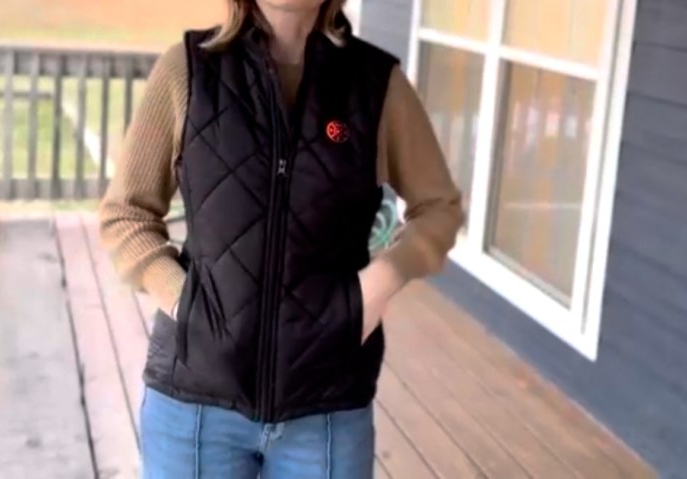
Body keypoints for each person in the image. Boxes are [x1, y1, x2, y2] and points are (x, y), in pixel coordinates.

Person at [99, 0, 464, 477]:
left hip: (327, 409)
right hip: (194, 408)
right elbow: (125, 214)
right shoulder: (188, 69)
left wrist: (380, 282)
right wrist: (186, 304)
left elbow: (439, 209)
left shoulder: (377, 85)